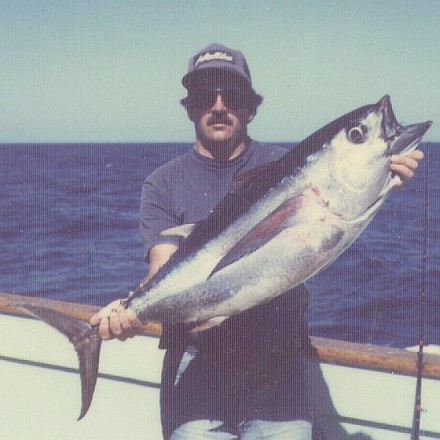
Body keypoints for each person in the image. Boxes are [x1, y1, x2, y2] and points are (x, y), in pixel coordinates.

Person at [90, 43, 424, 439]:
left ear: (250, 107)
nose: (218, 106)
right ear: (190, 108)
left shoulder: (287, 165)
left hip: (279, 362)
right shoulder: (163, 182)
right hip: (196, 366)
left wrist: (385, 177)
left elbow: (337, 217)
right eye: (204, 96)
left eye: (231, 96)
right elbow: (163, 270)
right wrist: (130, 309)